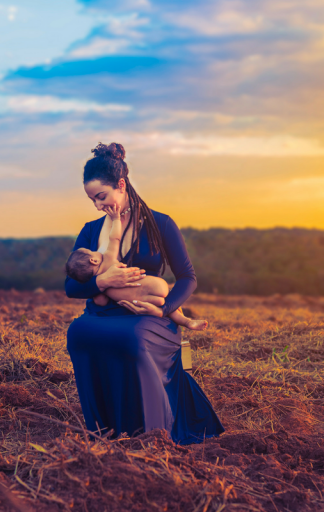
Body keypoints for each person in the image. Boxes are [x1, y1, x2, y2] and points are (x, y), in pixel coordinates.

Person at [65, 142, 225, 445]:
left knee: (132, 338)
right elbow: (71, 286)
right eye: (92, 199)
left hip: (149, 315)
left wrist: (163, 310)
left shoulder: (160, 224)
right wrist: (103, 281)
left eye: (101, 196)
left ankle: (151, 433)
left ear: (121, 185)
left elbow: (188, 278)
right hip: (102, 312)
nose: (97, 205)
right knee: (78, 332)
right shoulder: (90, 230)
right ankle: (103, 429)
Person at [65, 200, 208, 332]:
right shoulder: (108, 260)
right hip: (154, 286)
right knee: (164, 303)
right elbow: (115, 238)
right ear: (93, 261)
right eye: (92, 252)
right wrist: (116, 220)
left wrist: (100, 287)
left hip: (141, 300)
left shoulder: (99, 288)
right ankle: (187, 321)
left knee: (160, 303)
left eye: (101, 196)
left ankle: (185, 320)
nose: (97, 205)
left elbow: (101, 302)